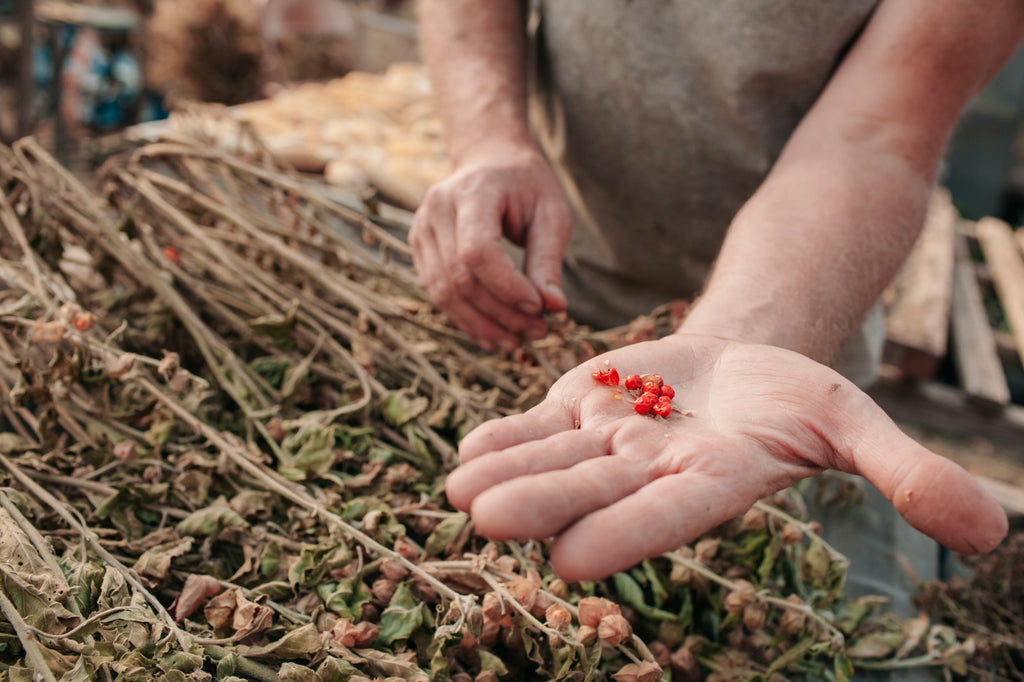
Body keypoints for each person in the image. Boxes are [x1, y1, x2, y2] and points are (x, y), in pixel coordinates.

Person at [409, 0, 1024, 585]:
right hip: (550, 295)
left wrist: (736, 342)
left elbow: (878, 132)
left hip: (793, 327)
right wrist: (490, 137)